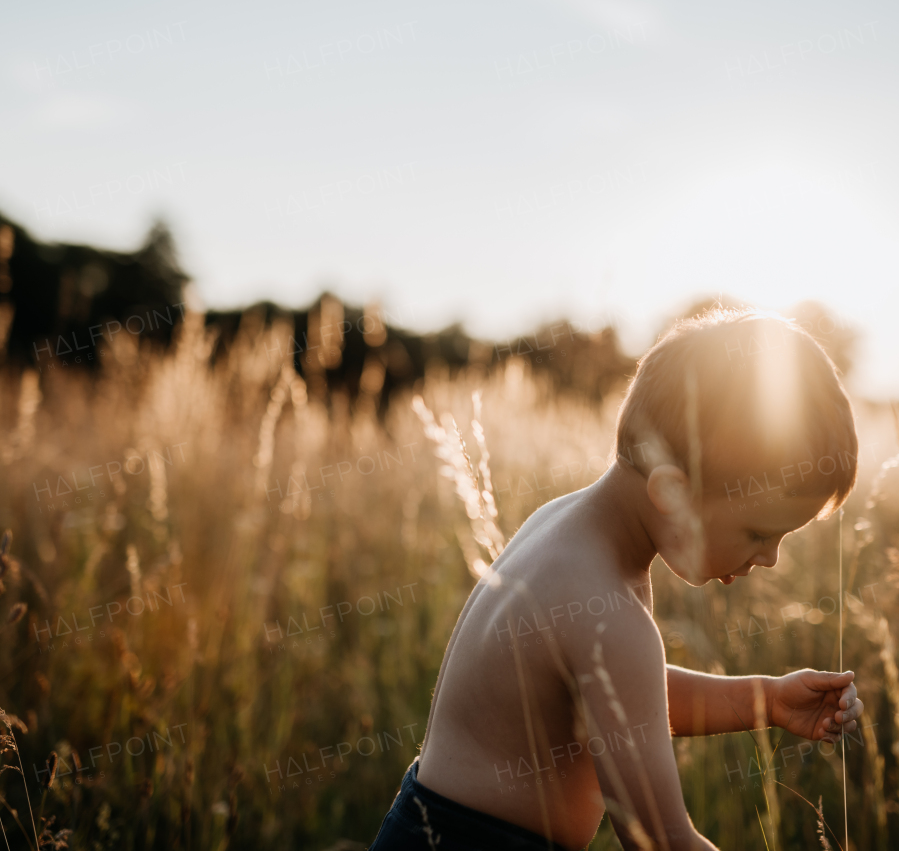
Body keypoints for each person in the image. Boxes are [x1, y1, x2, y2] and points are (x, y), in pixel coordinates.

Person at [370, 309, 865, 850]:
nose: (770, 558)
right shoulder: (608, 609)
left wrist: (764, 700)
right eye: (757, 533)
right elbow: (661, 840)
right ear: (671, 492)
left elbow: (618, 693)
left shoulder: (563, 529)